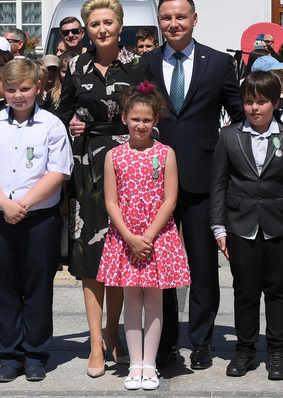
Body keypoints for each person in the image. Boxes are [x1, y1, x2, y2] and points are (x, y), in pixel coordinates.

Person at [141, 0, 244, 371]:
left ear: (194, 19)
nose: (173, 24)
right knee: (161, 265)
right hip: (156, 181)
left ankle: (201, 341)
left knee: (202, 265)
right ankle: (165, 342)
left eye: (180, 17)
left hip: (204, 179)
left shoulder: (218, 63)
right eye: (166, 17)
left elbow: (239, 113)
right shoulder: (147, 63)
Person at [0, 58, 72, 383]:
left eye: (24, 89)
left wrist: (23, 204)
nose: (18, 96)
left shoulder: (52, 125)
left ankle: (36, 355)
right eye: (11, 89)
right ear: (2, 90)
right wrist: (4, 204)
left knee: (38, 288)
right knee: (5, 289)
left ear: (38, 87)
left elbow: (57, 172)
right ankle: (10, 355)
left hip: (39, 218)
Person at [210, 71, 283, 381]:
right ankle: (245, 350)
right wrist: (219, 228)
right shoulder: (229, 136)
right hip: (241, 227)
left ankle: (278, 351)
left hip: (280, 227)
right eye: (249, 102)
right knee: (245, 291)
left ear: (276, 103)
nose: (255, 109)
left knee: (279, 290)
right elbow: (219, 184)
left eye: (262, 102)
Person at [64, 0, 145, 374]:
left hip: (127, 162)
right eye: (94, 24)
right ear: (87, 29)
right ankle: (96, 344)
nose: (101, 29)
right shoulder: (74, 64)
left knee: (117, 253)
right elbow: (63, 109)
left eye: (108, 22)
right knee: (91, 257)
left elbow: (150, 111)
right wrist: (71, 123)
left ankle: (114, 335)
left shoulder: (138, 64)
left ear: (120, 24)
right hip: (88, 165)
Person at [96, 83, 189, 388]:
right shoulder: (114, 156)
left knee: (155, 304)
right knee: (132, 303)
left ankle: (150, 364)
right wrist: (130, 237)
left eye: (147, 119)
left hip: (157, 238)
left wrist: (147, 237)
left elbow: (169, 199)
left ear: (156, 120)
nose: (141, 125)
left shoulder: (166, 154)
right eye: (135, 118)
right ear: (124, 118)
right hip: (124, 238)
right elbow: (111, 201)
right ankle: (134, 363)